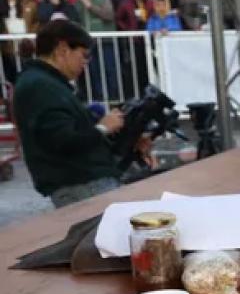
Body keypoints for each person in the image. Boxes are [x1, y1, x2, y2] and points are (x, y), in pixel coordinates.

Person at [12, 20, 147, 207]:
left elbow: (70, 130)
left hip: (82, 181)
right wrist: (102, 127)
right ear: (62, 49)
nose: (85, 63)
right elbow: (61, 139)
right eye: (84, 55)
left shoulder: (47, 83)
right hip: (81, 184)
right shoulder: (40, 86)